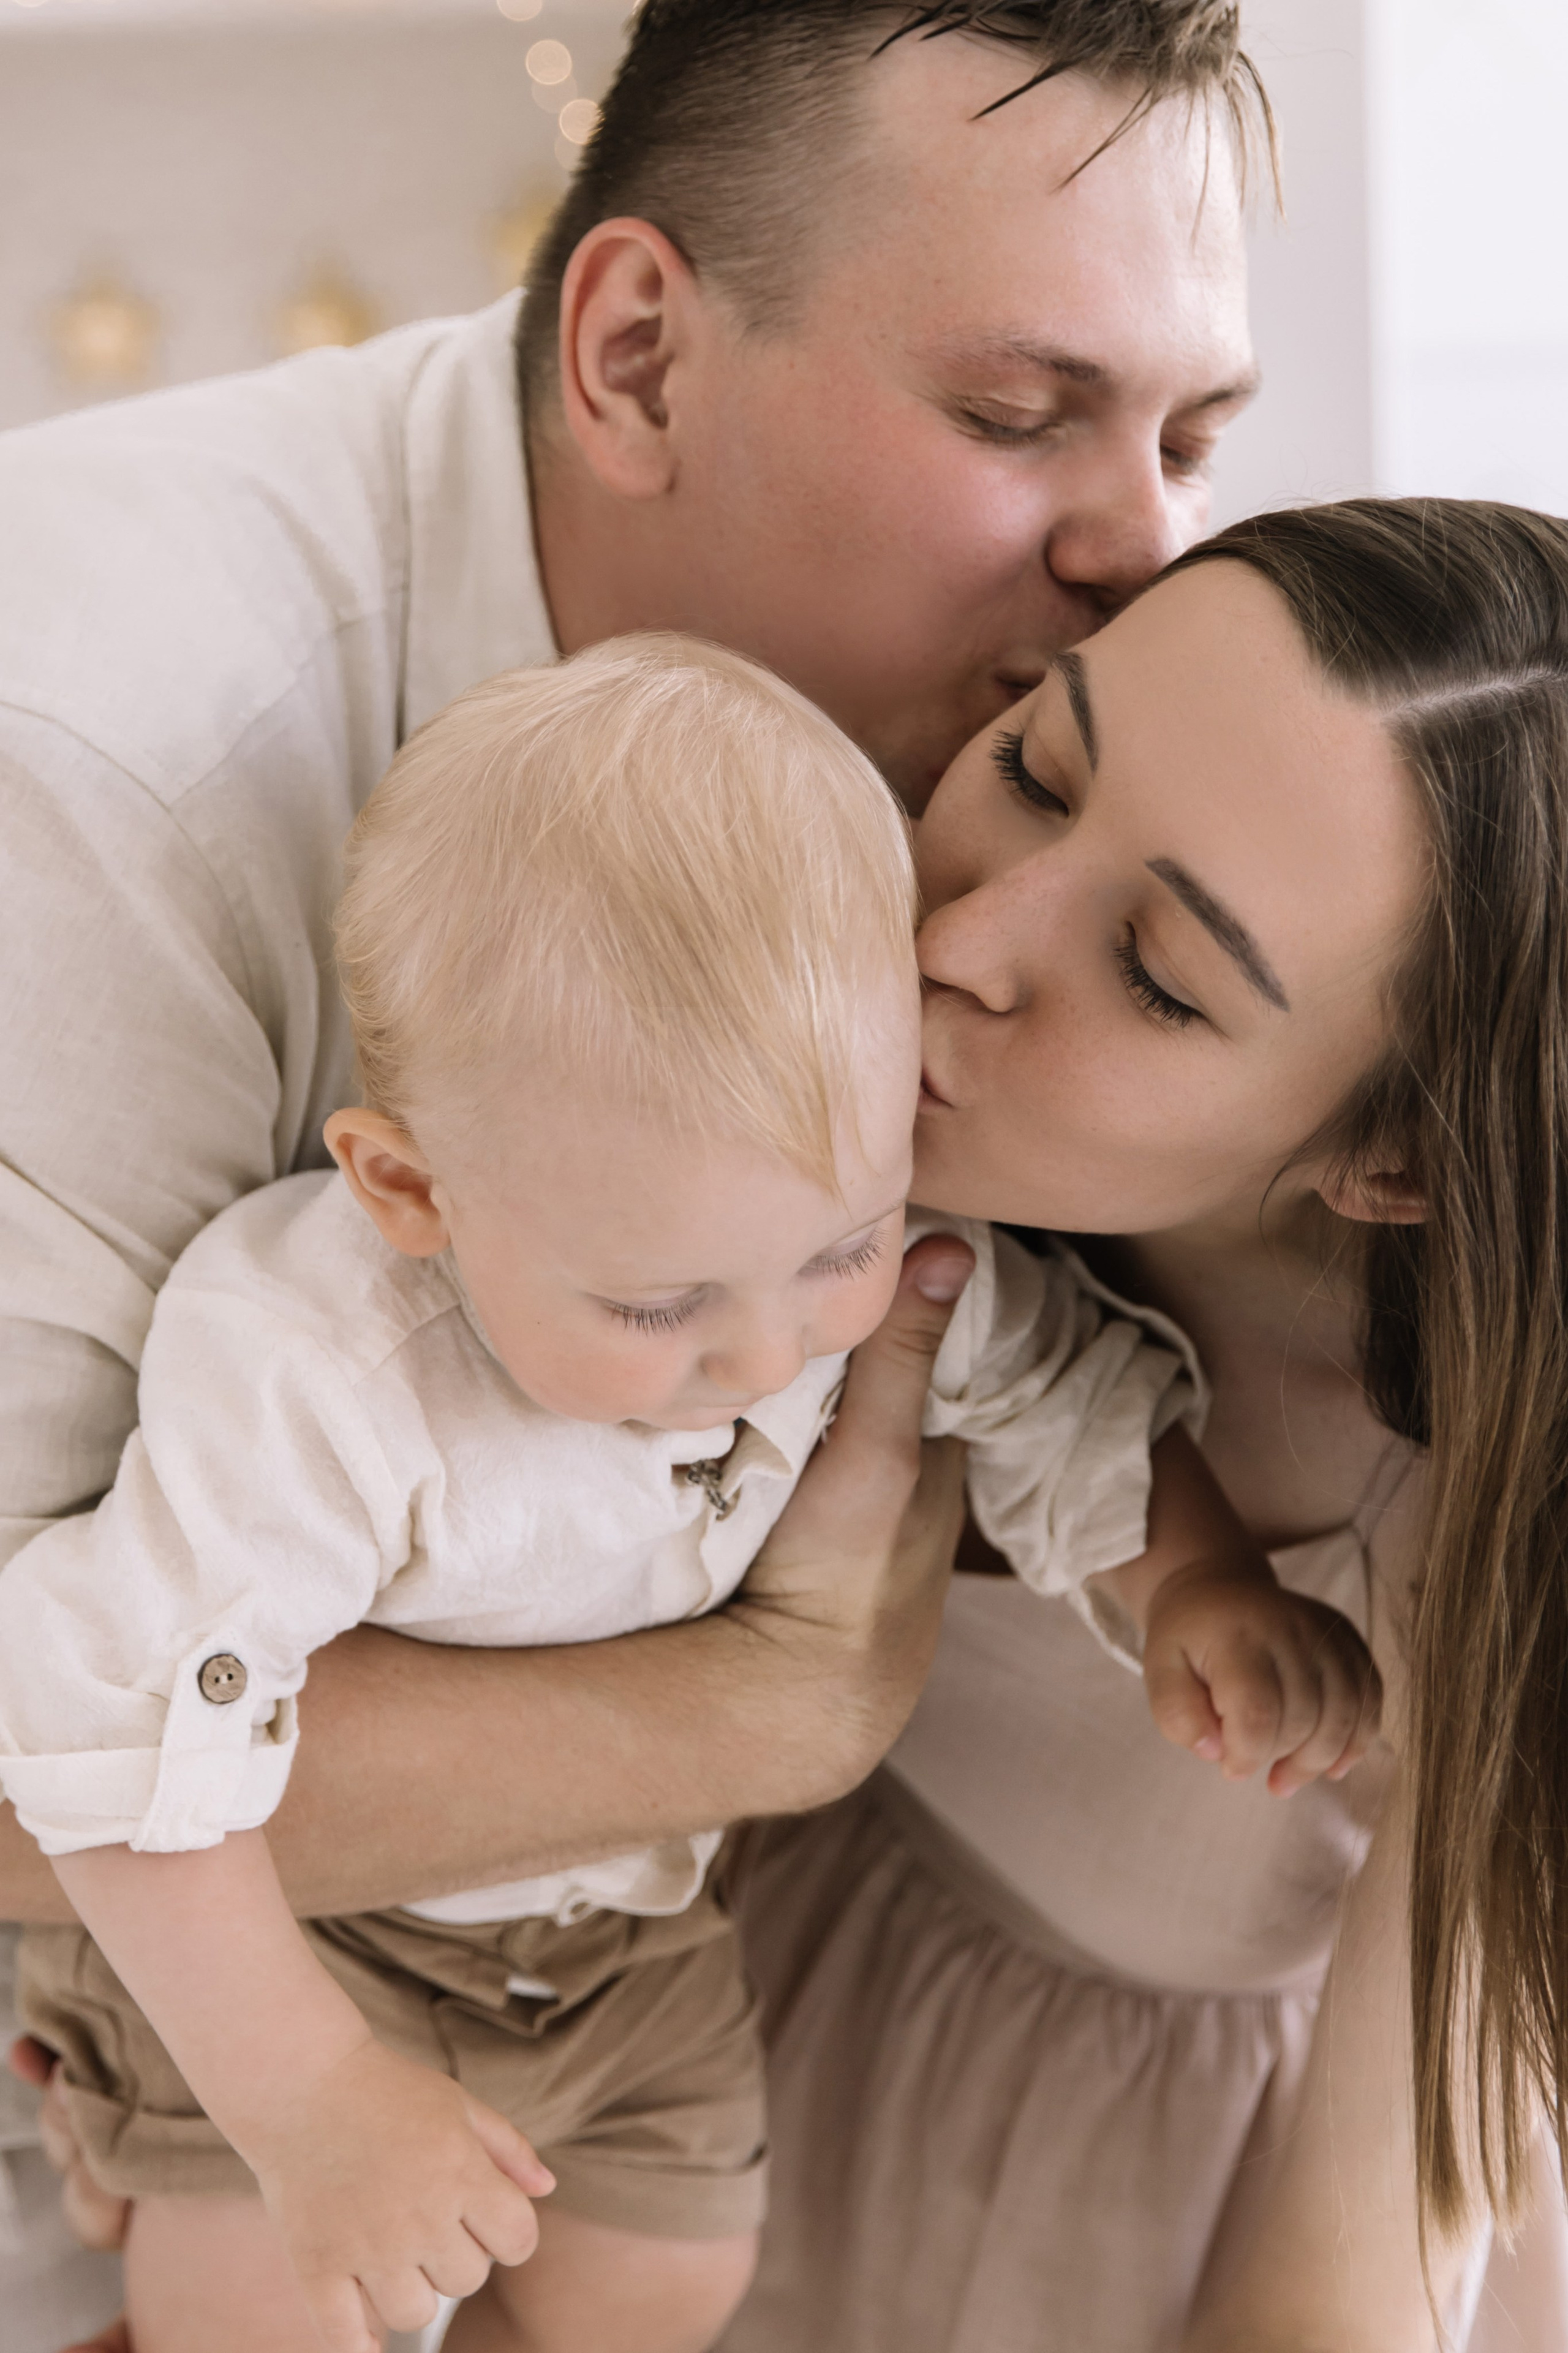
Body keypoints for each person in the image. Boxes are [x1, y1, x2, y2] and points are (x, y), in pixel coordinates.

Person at [0, 7, 1267, 2341]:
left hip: (658, 2050)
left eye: (1197, 436)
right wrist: (767, 1710)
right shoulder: (94, 766)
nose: (1141, 546)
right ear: (643, 354)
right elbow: (36, 1744)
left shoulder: (995, 746)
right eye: (1018, 415)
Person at [2, 635, 1379, 2353]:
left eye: (840, 1249)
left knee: (669, 2286)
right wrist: (306, 2094)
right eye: (657, 1307)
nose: (764, 1348)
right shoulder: (324, 1372)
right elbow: (111, 1720)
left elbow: (1057, 1386)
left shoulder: (830, 1244)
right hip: (301, 1943)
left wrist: (1196, 1583)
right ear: (414, 1186)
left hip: (620, 1940)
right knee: (267, 2308)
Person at [719, 499, 1568, 2353]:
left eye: (1163, 973)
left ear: (1394, 1156)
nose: (962, 932)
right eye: (1032, 768)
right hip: (686, 2040)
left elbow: (1345, 2299)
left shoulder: (1482, 1548)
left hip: (1083, 2237)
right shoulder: (796, 1032)